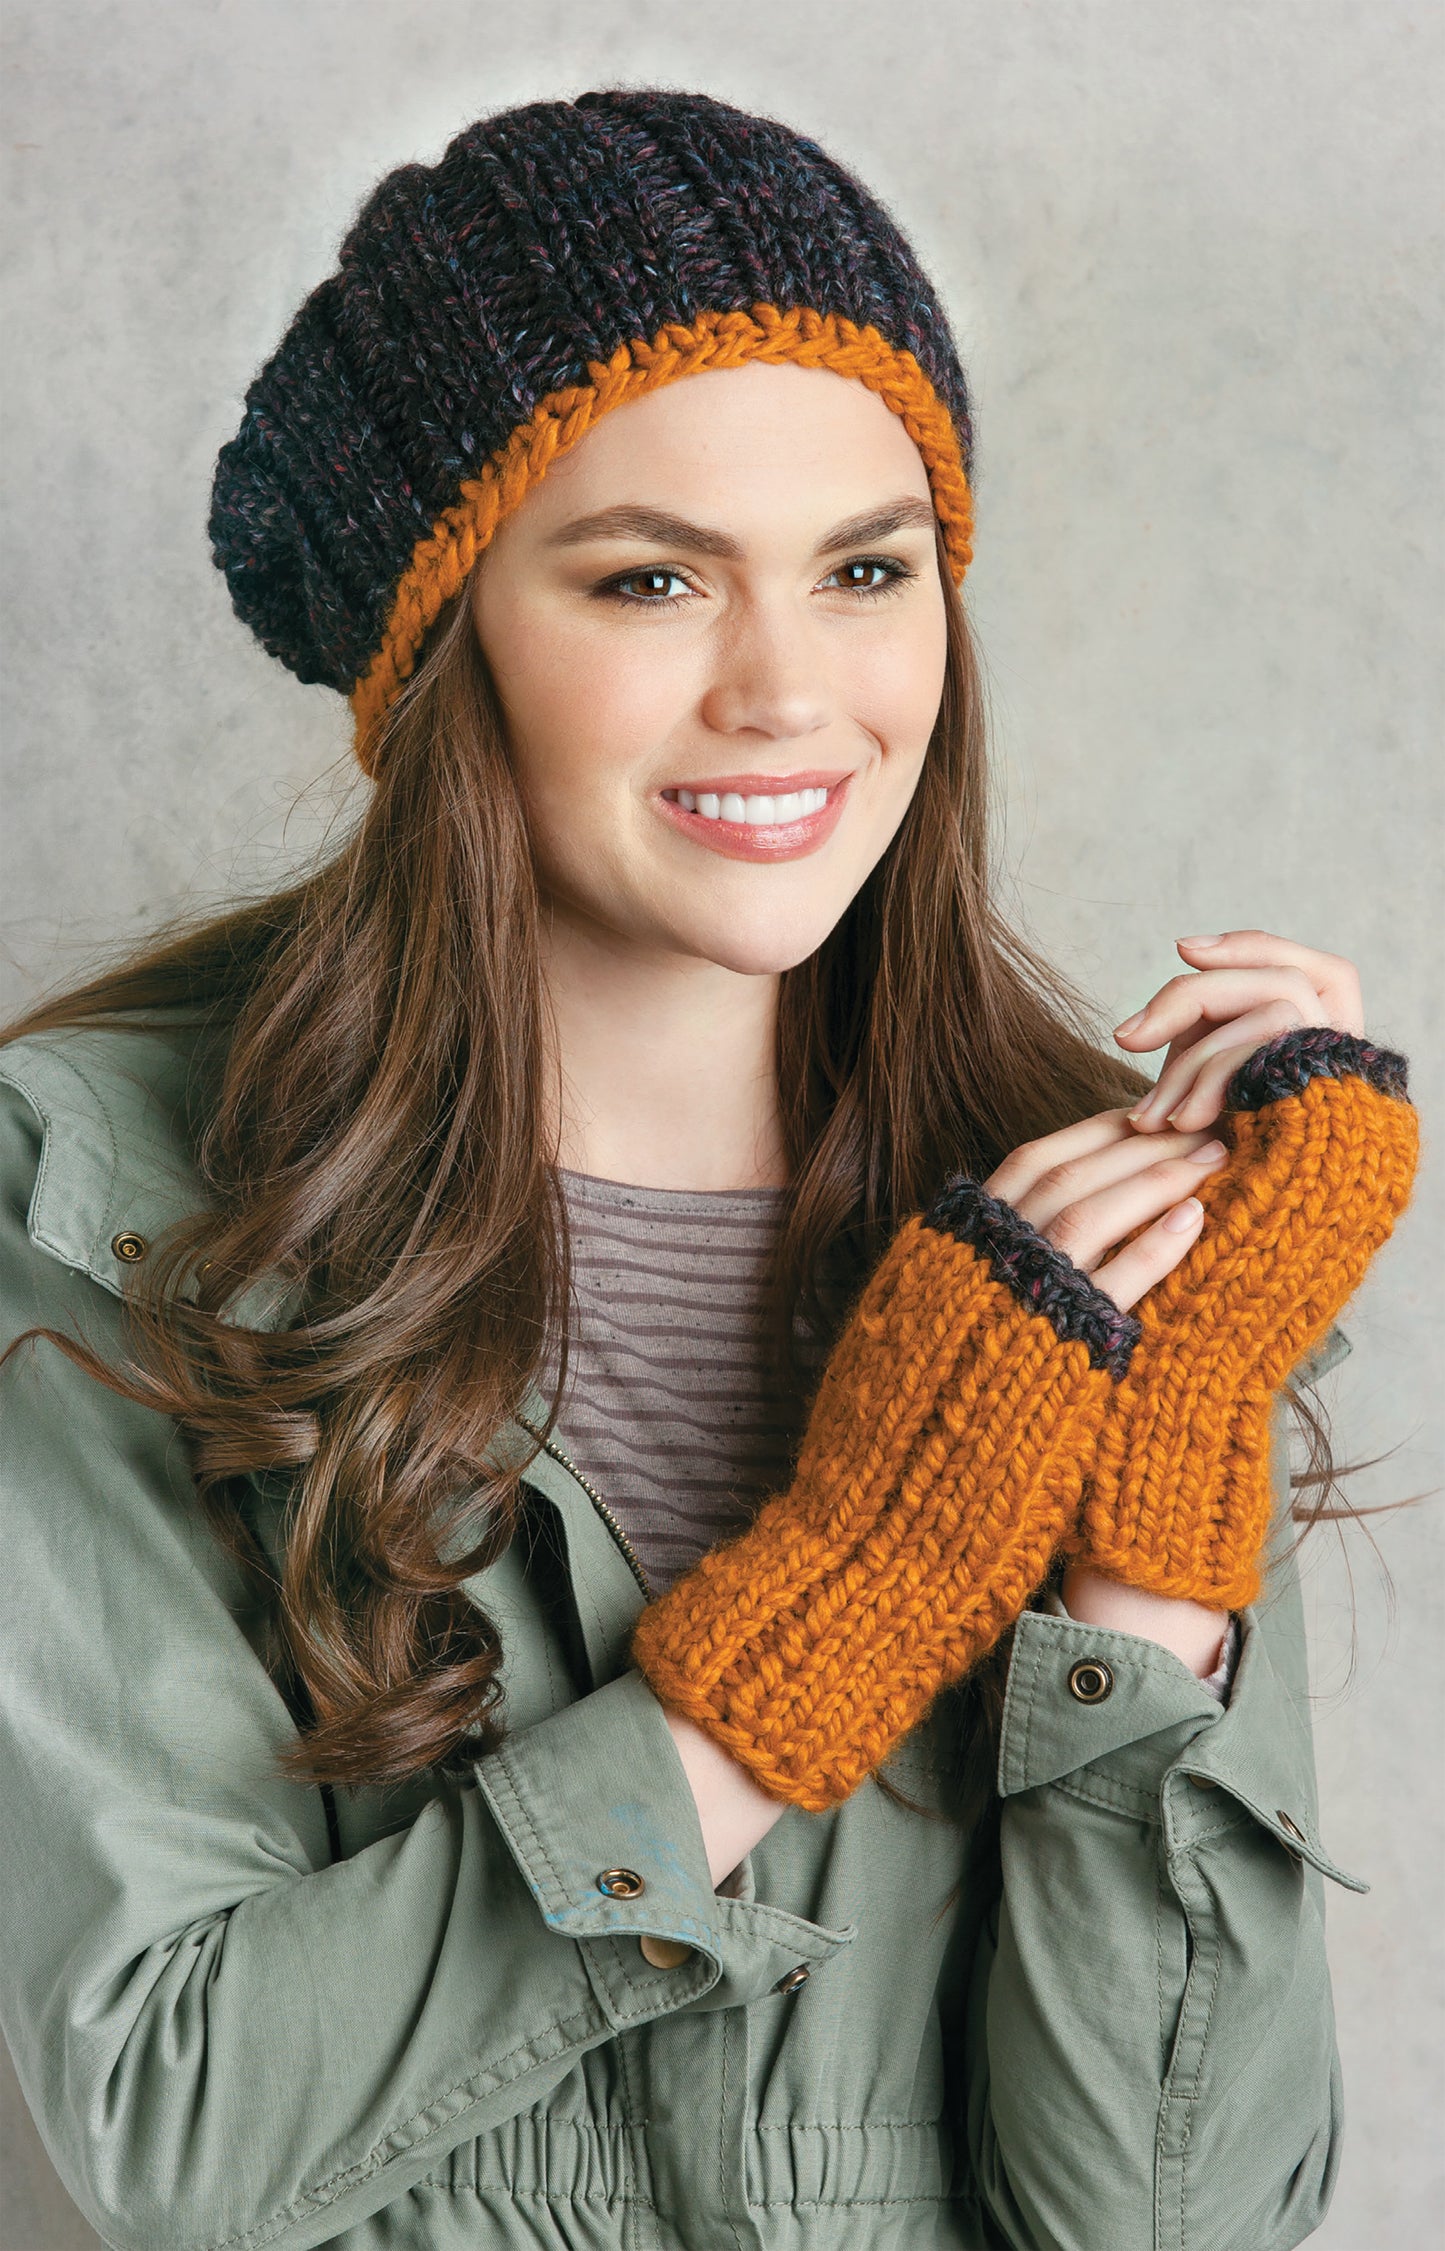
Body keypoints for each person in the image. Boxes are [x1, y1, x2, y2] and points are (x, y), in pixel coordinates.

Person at [0, 88, 1419, 2251]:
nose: (787, 692)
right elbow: (172, 2128)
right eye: (651, 578)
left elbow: (1170, 2222)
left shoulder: (1095, 1225)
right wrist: (838, 1606)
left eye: (866, 570)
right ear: (444, 637)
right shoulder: (117, 1200)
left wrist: (1159, 1524)